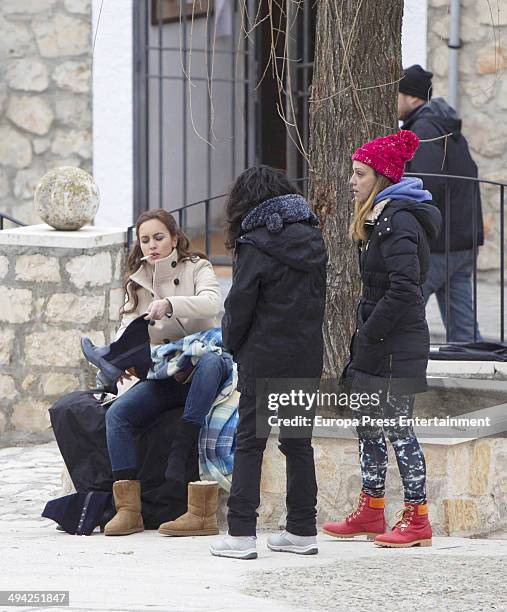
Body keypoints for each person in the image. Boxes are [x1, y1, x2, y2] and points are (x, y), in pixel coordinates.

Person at [322, 130, 441, 548]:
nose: (351, 182)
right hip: (375, 341)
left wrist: (370, 335)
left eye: (358, 174)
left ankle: (418, 517)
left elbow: (405, 290)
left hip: (397, 344)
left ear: (381, 176)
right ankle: (372, 509)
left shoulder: (400, 220)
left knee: (397, 428)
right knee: (367, 424)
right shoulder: (378, 218)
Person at [209, 166, 327, 559]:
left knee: (249, 445)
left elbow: (239, 306)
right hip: (304, 356)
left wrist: (232, 344)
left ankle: (241, 534)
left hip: (263, 357)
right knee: (298, 446)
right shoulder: (314, 239)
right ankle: (302, 530)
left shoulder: (255, 244)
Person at [102, 209, 225, 536]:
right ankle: (129, 511)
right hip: (164, 373)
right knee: (118, 415)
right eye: (145, 240)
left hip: (201, 370)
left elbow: (211, 304)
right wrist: (118, 359)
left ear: (174, 237)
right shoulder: (137, 281)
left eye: (158, 237)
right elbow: (126, 328)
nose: (152, 245)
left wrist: (170, 304)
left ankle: (195, 497)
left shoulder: (199, 266)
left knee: (213, 360)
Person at [398, 64, 484, 342]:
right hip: (461, 241)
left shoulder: (423, 129)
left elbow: (424, 184)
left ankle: (392, 374)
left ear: (413, 98)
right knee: (464, 331)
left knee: (400, 316)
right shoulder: (445, 126)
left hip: (436, 245)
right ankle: (474, 373)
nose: (392, 99)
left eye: (396, 93)